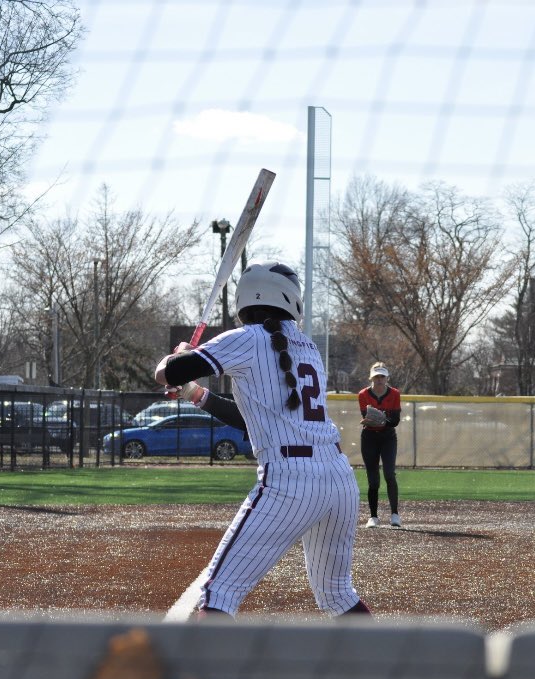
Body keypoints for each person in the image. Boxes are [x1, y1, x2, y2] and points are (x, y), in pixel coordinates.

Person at [154, 261, 370, 619]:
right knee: (337, 595)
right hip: (338, 479)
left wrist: (177, 359)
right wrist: (195, 393)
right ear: (290, 299)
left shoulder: (246, 338)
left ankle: (207, 677)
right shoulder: (307, 348)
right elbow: (252, 418)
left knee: (218, 592)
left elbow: (166, 373)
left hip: (290, 481)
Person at [358, 361, 402, 528]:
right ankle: (373, 516)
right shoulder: (363, 394)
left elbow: (395, 421)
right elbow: (368, 419)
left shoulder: (395, 394)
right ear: (371, 378)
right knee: (373, 479)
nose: (379, 379)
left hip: (388, 437)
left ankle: (395, 514)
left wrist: (380, 419)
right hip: (369, 437)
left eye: (382, 376)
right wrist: (380, 419)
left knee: (389, 474)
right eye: (376, 376)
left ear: (387, 378)